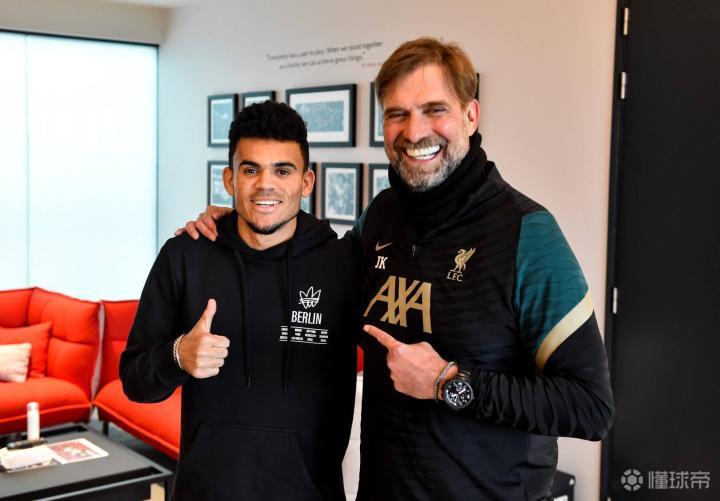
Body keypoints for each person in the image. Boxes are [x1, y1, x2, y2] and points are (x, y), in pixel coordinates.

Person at [184, 37, 614, 500]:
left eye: (434, 110)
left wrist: (447, 382)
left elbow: (590, 408)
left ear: (471, 115)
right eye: (397, 114)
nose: (414, 131)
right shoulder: (382, 216)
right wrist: (245, 221)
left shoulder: (528, 234)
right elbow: (312, 273)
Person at [120, 101, 361, 501]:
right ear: (230, 179)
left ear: (306, 182)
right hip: (204, 493)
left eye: (282, 170)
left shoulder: (344, 265)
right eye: (251, 170)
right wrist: (178, 356)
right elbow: (135, 382)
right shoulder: (185, 256)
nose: (265, 184)